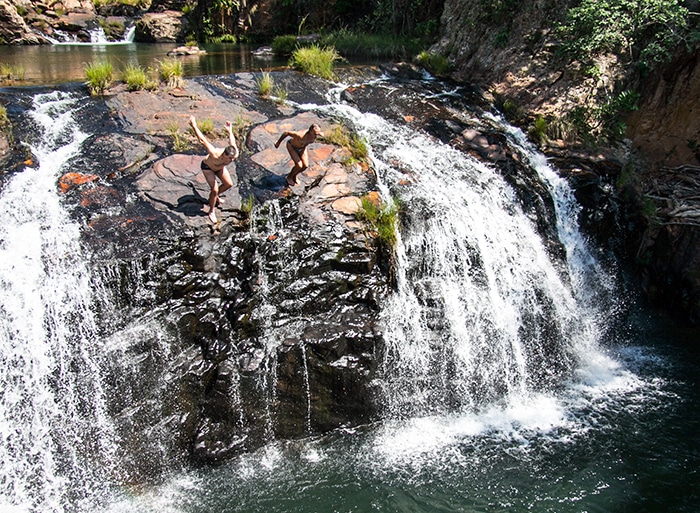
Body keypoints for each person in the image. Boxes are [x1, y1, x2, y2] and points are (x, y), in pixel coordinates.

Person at [189, 115, 239, 224]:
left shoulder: (234, 154)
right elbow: (202, 140)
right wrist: (194, 126)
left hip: (219, 168)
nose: (232, 160)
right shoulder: (215, 153)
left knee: (229, 184)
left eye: (233, 158)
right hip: (208, 168)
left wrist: (230, 130)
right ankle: (211, 211)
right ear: (224, 155)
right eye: (230, 158)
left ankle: (214, 197)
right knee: (215, 189)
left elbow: (232, 142)